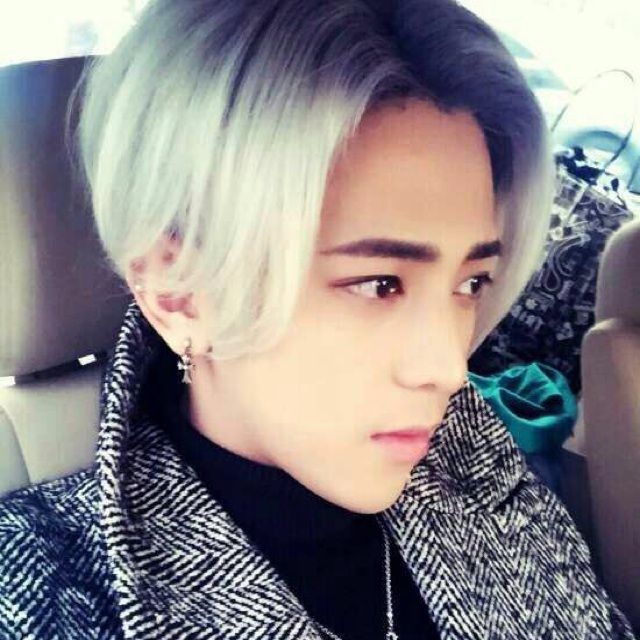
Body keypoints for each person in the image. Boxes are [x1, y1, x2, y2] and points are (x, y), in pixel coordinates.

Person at [0, 0, 636, 638]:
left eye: (471, 283)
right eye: (379, 284)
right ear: (179, 293)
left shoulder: (479, 467)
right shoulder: (36, 593)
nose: (450, 369)